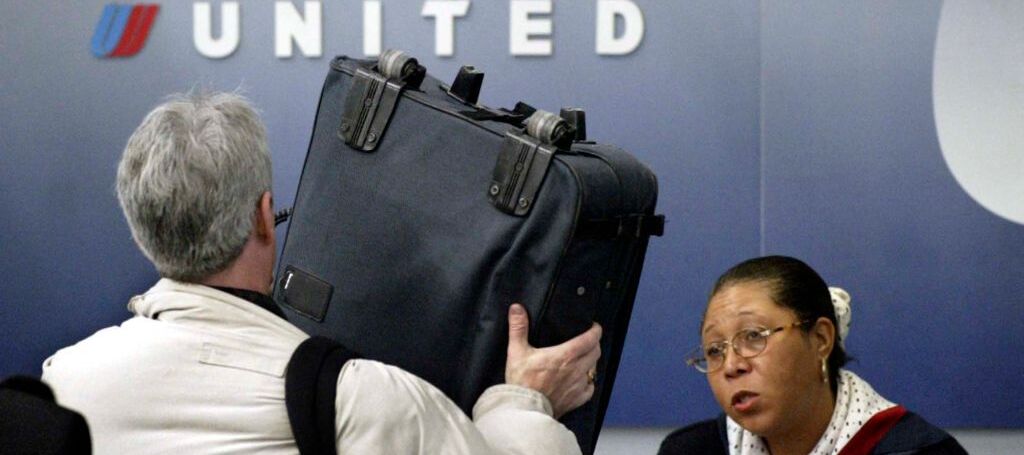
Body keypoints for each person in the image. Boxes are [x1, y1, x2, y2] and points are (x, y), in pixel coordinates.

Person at [41, 91, 602, 454]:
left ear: (143, 229)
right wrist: (525, 402)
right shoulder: (362, 400)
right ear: (266, 217)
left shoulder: (61, 385)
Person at [659, 256, 965, 455]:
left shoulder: (918, 452)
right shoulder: (691, 451)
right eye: (714, 350)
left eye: (753, 336)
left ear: (820, 339)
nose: (731, 366)